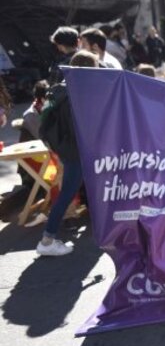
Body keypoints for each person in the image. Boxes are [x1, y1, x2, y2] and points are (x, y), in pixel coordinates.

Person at [36, 49, 98, 256]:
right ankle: (47, 240)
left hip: (66, 148)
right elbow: (81, 126)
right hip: (77, 150)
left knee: (81, 188)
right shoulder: (79, 94)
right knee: (67, 193)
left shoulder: (61, 89)